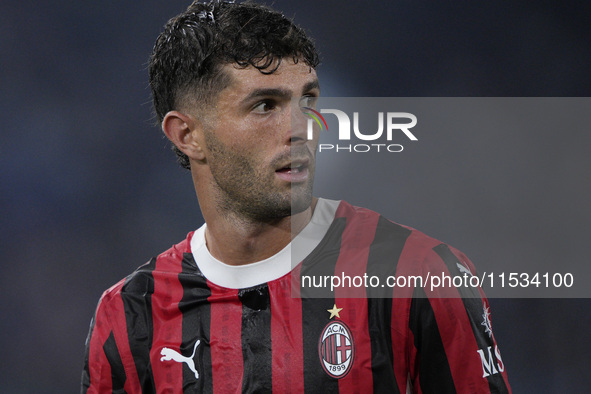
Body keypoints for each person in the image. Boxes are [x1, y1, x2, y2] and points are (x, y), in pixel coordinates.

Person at [82, 1, 511, 393]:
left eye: (307, 100)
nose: (302, 127)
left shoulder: (418, 274)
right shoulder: (128, 315)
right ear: (188, 135)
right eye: (265, 105)